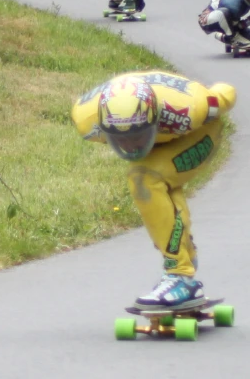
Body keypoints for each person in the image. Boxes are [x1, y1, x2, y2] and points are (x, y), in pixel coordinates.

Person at [71, 70, 236, 310]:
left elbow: (226, 93)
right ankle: (185, 259)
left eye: (138, 135)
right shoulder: (86, 119)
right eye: (120, 139)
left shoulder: (191, 108)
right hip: (163, 132)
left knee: (145, 178)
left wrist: (219, 91)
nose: (131, 145)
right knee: (158, 182)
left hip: (199, 133)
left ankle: (179, 275)